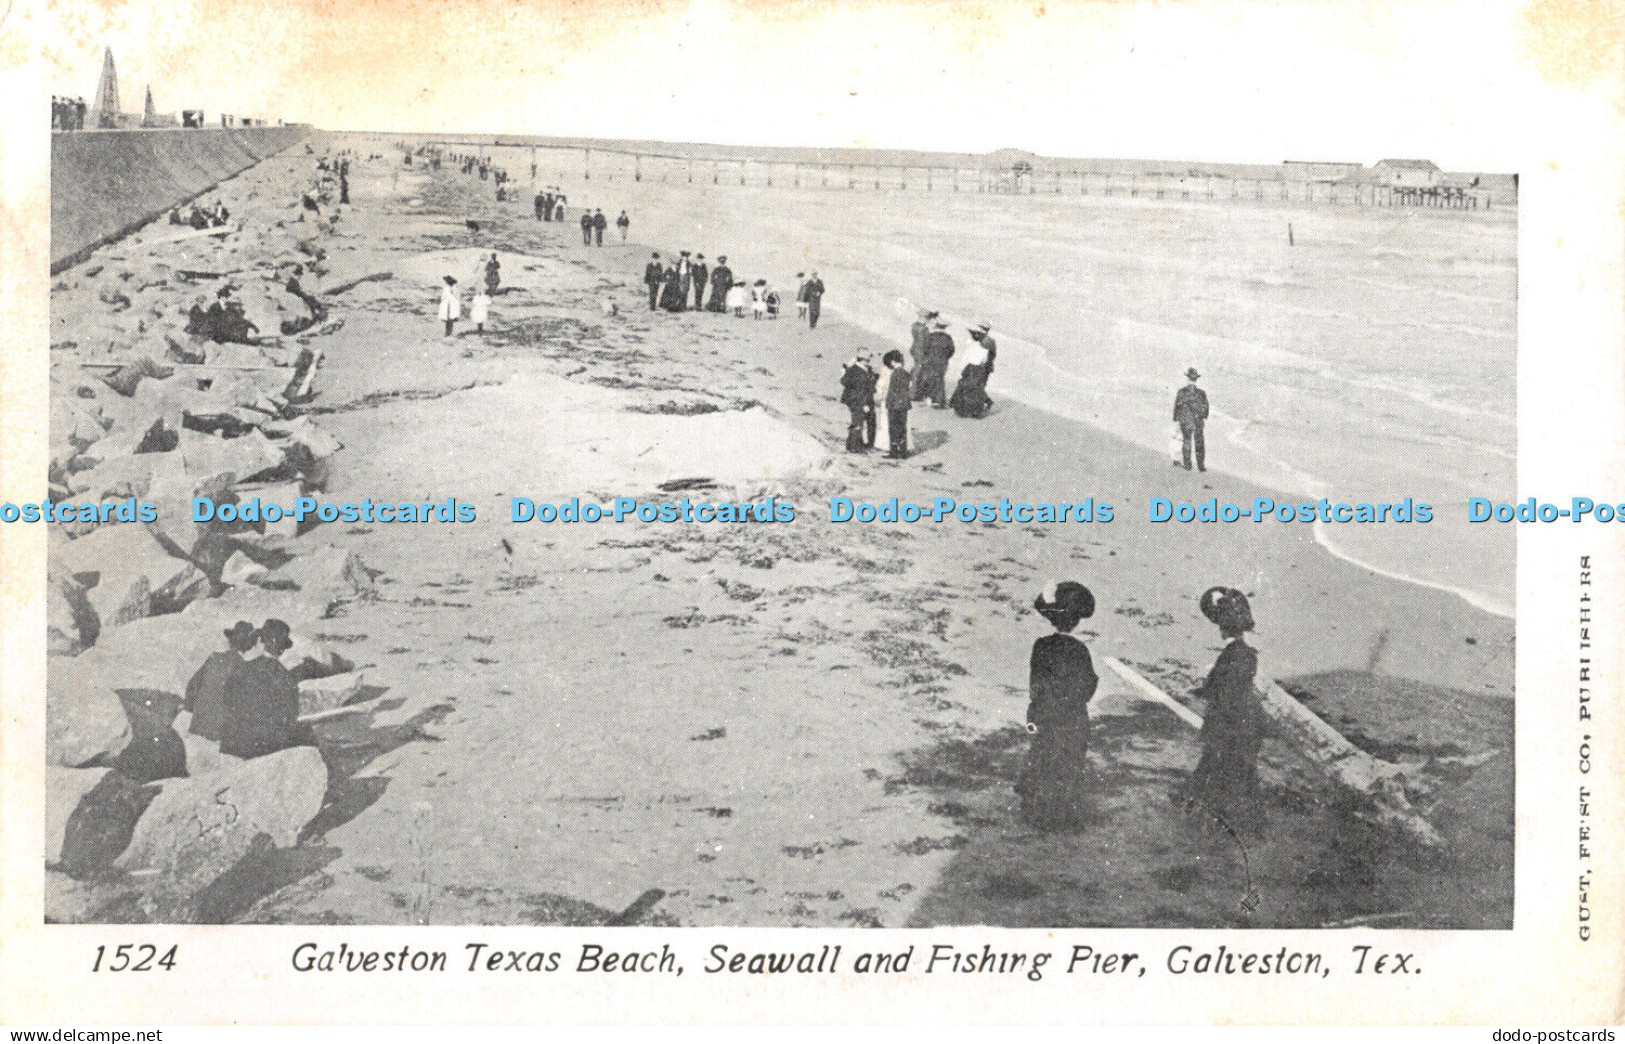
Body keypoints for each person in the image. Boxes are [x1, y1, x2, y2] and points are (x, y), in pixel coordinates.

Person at [1017, 582, 1098, 830]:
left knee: (1042, 758)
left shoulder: (1041, 645)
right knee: (1069, 764)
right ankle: (1064, 817)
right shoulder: (1080, 650)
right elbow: (1088, 686)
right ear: (1077, 622)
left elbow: (1036, 685)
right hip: (1072, 718)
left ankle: (1036, 813)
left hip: (1044, 714)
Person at [1185, 587, 1264, 835]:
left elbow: (1216, 688)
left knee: (1215, 762)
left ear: (1222, 629)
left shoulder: (1230, 655)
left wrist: (1204, 689)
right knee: (1240, 765)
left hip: (1226, 719)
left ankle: (1201, 806)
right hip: (1246, 717)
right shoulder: (1248, 654)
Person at [220, 620, 306, 760]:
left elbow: (227, 703)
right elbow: (291, 711)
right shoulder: (277, 670)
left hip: (233, 744)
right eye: (283, 646)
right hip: (265, 745)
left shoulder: (238, 669)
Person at [186, 622, 258, 744]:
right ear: (249, 646)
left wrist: (196, 710)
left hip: (198, 728)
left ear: (230, 640)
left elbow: (192, 686)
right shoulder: (244, 667)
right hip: (220, 735)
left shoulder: (214, 657)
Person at [950, 322, 997, 418]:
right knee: (978, 386)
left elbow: (973, 356)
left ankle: (984, 403)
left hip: (979, 367)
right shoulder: (990, 340)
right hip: (985, 367)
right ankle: (985, 402)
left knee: (973, 386)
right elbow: (992, 355)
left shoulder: (980, 341)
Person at [840, 353, 878, 452]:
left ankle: (866, 445)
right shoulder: (853, 370)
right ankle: (854, 447)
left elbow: (872, 381)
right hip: (856, 400)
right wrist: (863, 403)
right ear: (860, 360)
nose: (868, 362)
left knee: (871, 422)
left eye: (869, 360)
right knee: (858, 422)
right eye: (866, 360)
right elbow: (845, 382)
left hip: (868, 400)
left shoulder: (868, 369)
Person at [1174, 367, 1209, 472]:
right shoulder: (1201, 393)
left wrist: (1176, 418)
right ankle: (1201, 466)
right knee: (1199, 443)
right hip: (1197, 419)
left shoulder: (1181, 392)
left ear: (1187, 378)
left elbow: (1177, 406)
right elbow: (1206, 409)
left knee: (1186, 441)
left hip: (1185, 419)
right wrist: (1203, 416)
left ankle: (1187, 465)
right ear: (1196, 379)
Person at [914, 318, 955, 407]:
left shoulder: (931, 336)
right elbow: (951, 350)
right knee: (940, 379)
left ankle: (929, 398)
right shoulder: (948, 338)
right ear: (945, 327)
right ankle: (939, 400)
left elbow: (925, 348)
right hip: (942, 361)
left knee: (929, 378)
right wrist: (945, 357)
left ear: (936, 326)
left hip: (930, 360)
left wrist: (928, 356)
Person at [881, 350, 912, 458]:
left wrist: (888, 402)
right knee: (902, 428)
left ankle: (894, 452)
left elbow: (894, 390)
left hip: (894, 405)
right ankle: (903, 452)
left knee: (893, 428)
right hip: (904, 404)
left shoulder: (895, 373)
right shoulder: (906, 373)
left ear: (893, 362)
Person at [910, 309, 935, 373]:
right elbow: (923, 343)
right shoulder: (923, 329)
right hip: (921, 353)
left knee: (917, 369)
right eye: (928, 318)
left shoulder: (915, 326)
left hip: (916, 350)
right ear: (923, 318)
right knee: (920, 372)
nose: (929, 320)